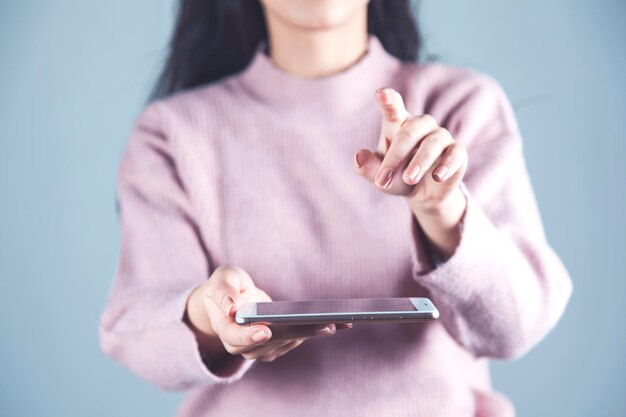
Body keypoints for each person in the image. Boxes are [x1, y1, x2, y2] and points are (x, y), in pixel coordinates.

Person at [99, 1, 573, 416]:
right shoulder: (171, 134)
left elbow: (514, 327)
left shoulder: (461, 107)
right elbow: (138, 330)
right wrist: (211, 315)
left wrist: (444, 212)